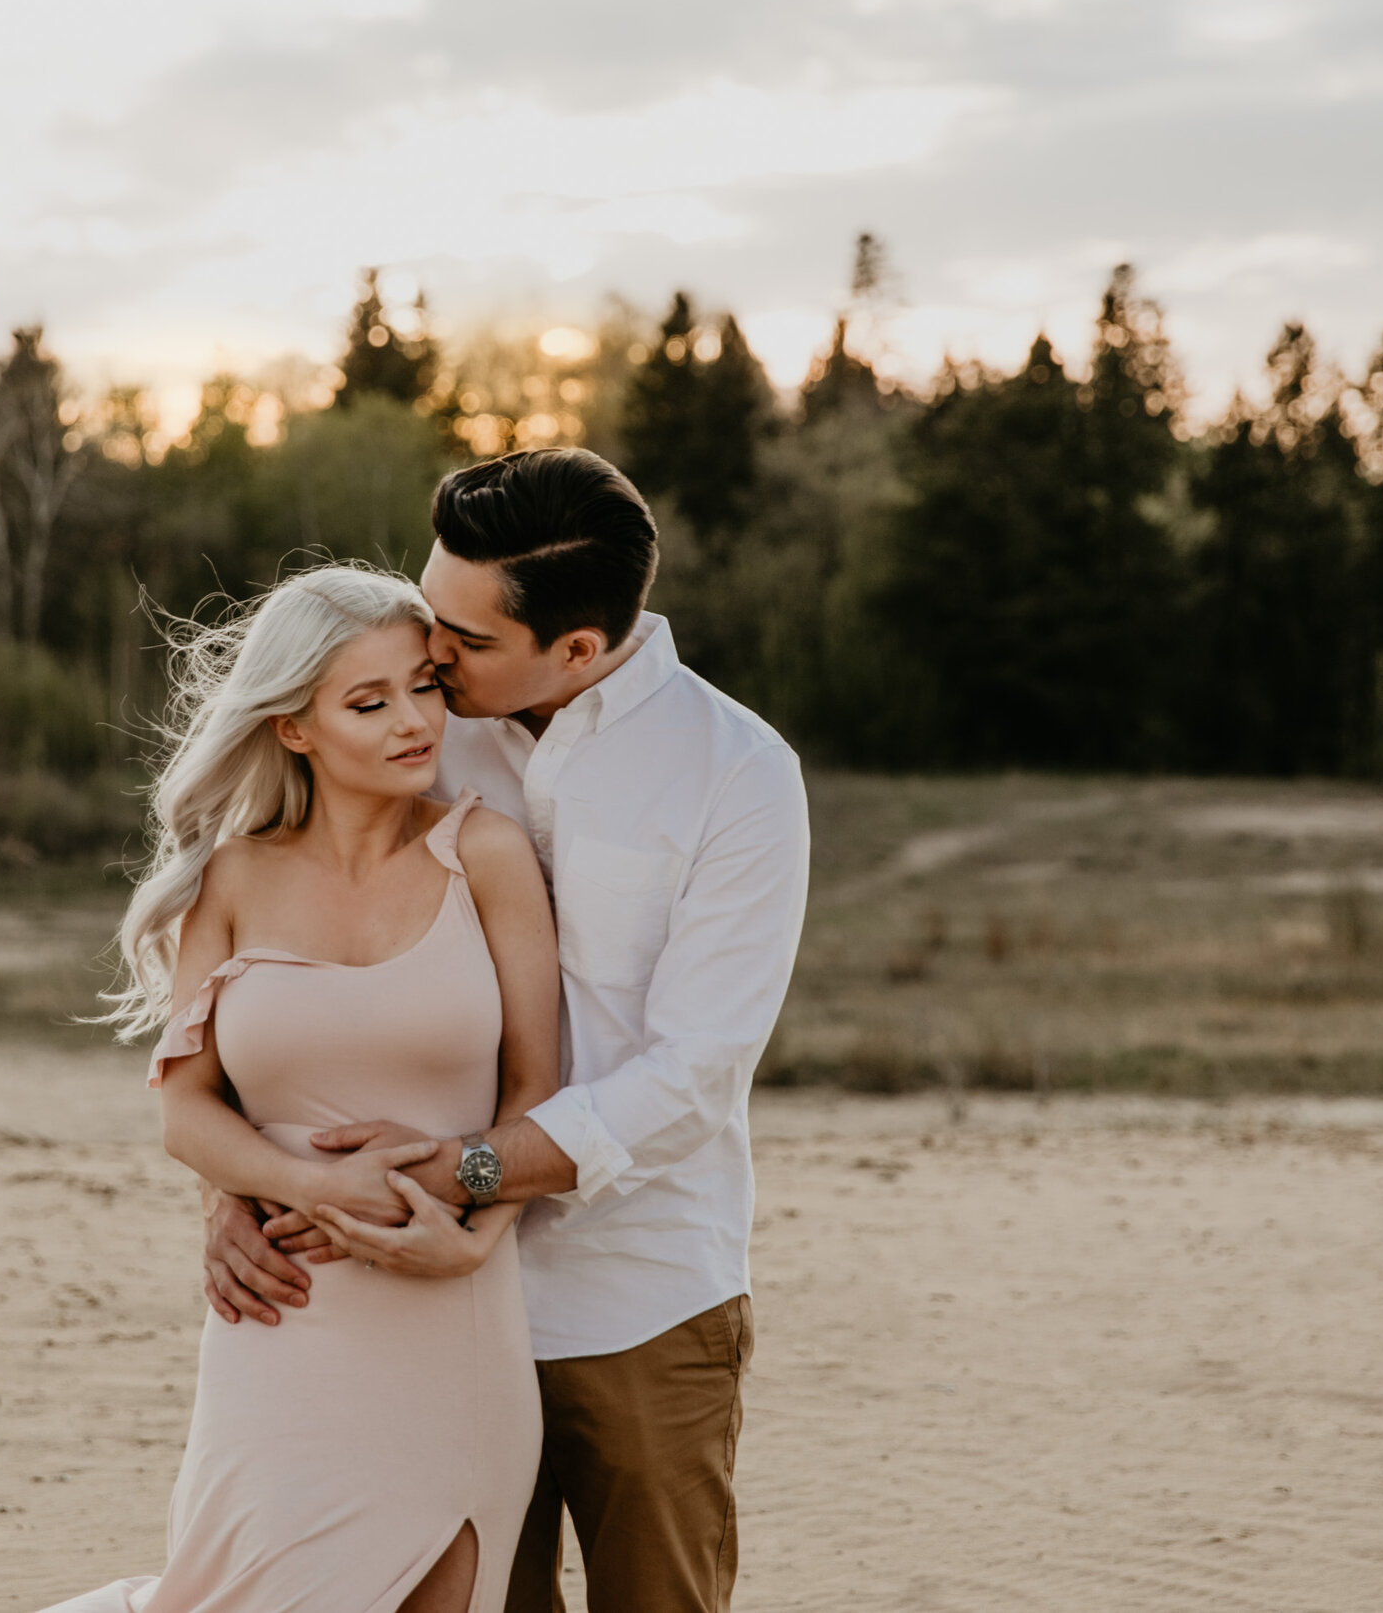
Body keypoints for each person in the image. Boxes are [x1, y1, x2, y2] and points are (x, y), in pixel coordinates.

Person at [204, 449, 812, 1613]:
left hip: (637, 1296)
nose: (429, 658)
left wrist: (475, 1172)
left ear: (577, 648)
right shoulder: (416, 724)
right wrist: (233, 1190)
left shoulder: (735, 775)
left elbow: (691, 1076)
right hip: (409, 1300)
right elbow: (272, 972)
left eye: (465, 642)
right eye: (431, 617)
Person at [44, 564, 562, 1613]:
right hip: (280, 1316)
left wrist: (472, 1231)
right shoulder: (231, 879)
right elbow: (186, 1107)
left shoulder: (489, 855)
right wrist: (301, 1184)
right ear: (293, 728)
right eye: (368, 703)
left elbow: (536, 1092)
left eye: (424, 685)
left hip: (449, 1311)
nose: (415, 722)